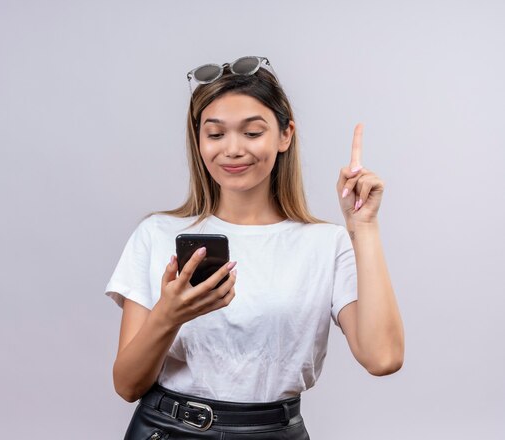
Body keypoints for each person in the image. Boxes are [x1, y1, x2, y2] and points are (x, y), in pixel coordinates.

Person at [105, 56, 404, 439]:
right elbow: (127, 385)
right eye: (215, 134)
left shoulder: (325, 243)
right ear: (198, 142)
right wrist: (169, 315)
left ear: (284, 135)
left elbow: (383, 358)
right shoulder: (156, 234)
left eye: (251, 133)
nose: (232, 149)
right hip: (167, 429)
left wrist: (364, 227)